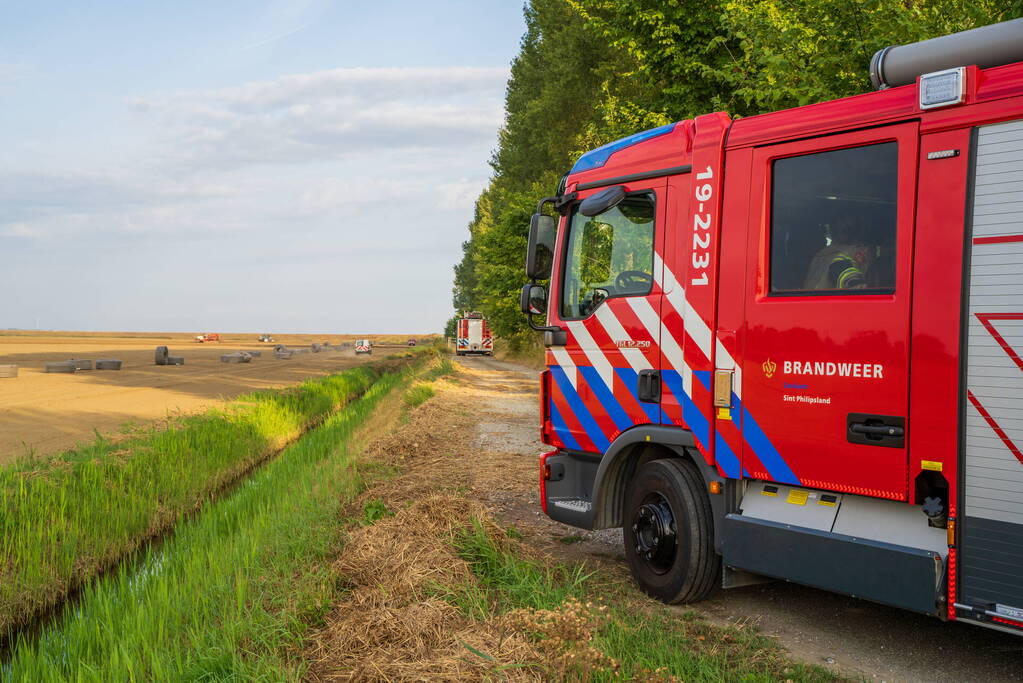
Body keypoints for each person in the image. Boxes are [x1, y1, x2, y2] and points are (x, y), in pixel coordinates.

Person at [802, 215, 877, 290]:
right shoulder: (855, 253)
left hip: (811, 299)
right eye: (844, 230)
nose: (840, 234)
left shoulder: (820, 255)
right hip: (832, 300)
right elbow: (840, 266)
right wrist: (853, 282)